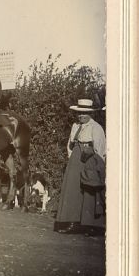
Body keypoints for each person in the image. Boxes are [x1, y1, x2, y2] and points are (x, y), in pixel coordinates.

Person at [54, 98, 107, 234]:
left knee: (89, 189)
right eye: (79, 113)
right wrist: (71, 156)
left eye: (84, 113)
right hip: (76, 157)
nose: (81, 116)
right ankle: (72, 221)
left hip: (90, 158)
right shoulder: (75, 126)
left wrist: (96, 164)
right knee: (73, 188)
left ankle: (91, 225)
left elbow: (100, 148)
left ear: (91, 114)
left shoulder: (96, 128)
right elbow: (70, 144)